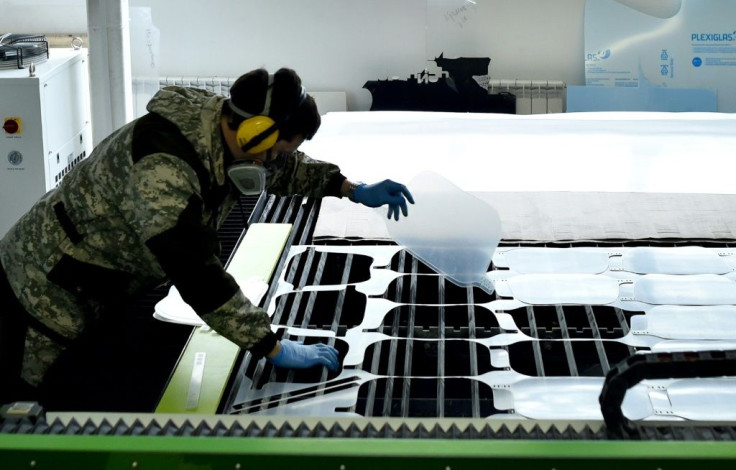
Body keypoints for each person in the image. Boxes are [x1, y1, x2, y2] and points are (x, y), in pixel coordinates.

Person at [0, 67, 414, 410]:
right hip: (45, 288)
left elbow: (282, 168)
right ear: (256, 136)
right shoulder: (162, 170)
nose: (280, 161)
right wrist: (272, 346)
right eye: (281, 150)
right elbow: (199, 278)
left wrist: (349, 188)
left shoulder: (222, 125)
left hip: (102, 281)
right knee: (31, 411)